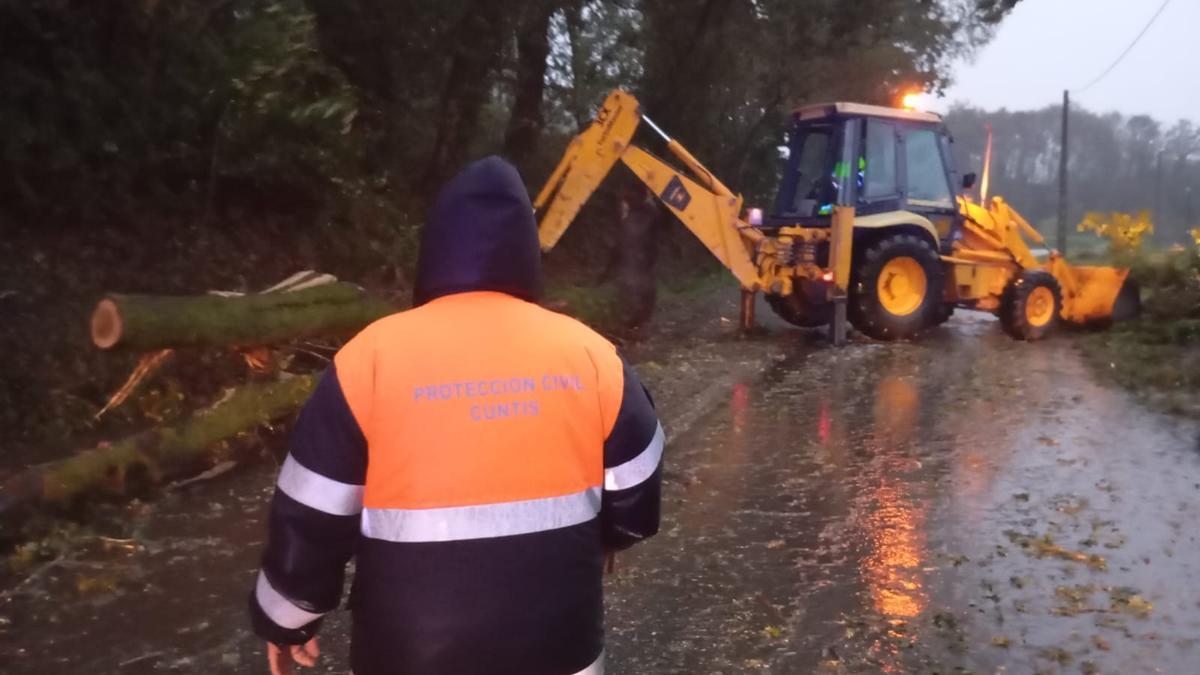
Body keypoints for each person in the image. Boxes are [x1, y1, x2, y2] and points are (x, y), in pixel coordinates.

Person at [248, 156, 665, 675]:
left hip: (406, 655)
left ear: (436, 249)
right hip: (562, 649)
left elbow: (313, 510)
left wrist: (288, 617)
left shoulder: (370, 356)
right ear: (526, 252)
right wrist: (610, 536)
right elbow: (639, 478)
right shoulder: (590, 353)